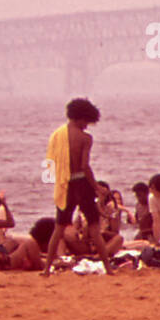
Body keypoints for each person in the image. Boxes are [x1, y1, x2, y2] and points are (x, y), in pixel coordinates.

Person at [43, 98, 114, 276]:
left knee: (58, 228)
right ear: (81, 117)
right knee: (94, 228)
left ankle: (46, 269)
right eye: (87, 122)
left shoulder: (56, 135)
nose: (87, 126)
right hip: (82, 184)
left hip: (65, 184)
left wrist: (52, 181)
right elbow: (84, 167)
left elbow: (49, 163)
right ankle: (108, 268)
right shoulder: (85, 138)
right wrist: (97, 187)